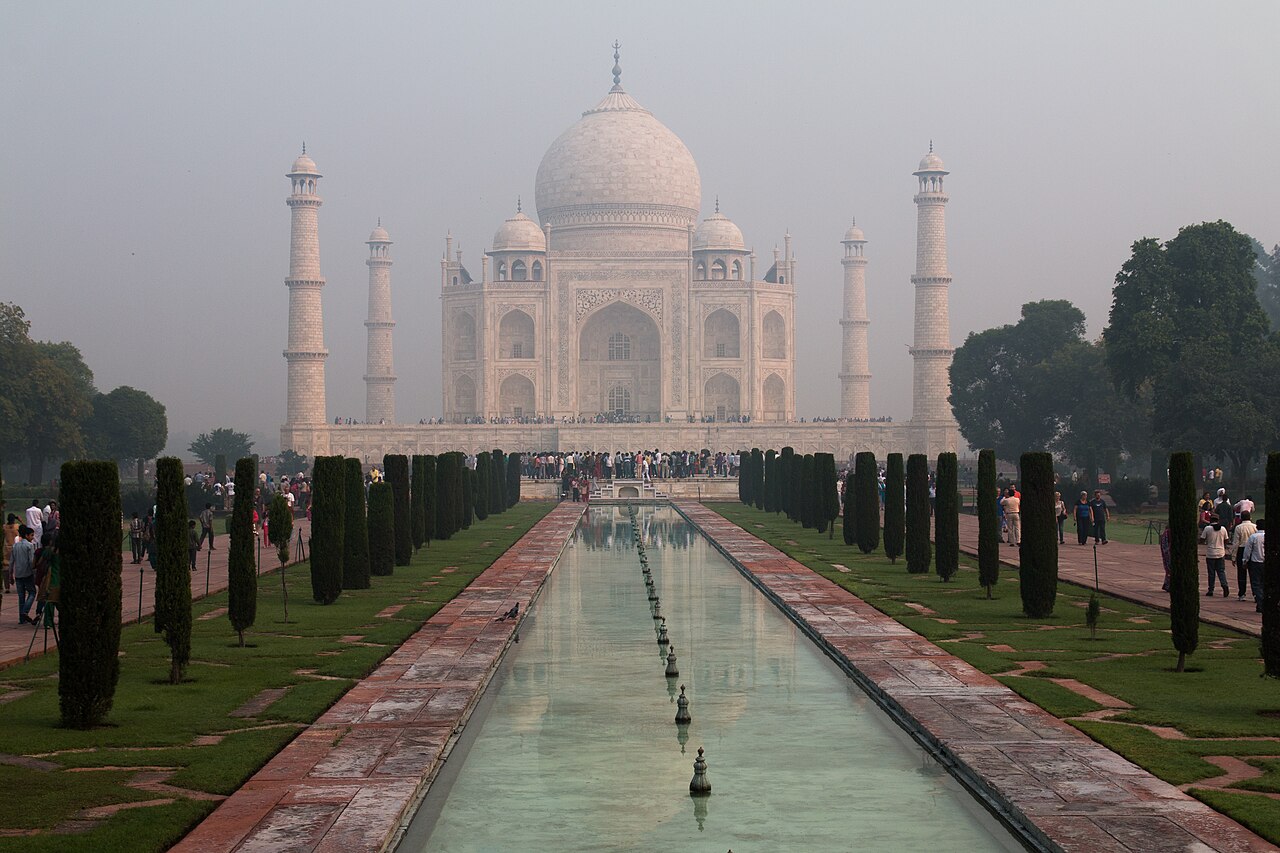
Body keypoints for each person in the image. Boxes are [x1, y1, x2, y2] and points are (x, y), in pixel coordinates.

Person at [1230, 510, 1257, 602]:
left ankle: (1242, 594)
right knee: (1253, 574)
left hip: (1241, 550)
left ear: (1241, 517)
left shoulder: (1239, 527)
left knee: (1241, 573)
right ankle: (1256, 594)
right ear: (1250, 517)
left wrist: (1233, 556)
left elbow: (1236, 543)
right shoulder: (1254, 526)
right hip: (1253, 550)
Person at [1200, 514, 1230, 597]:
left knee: (1211, 573)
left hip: (1210, 553)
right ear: (1218, 520)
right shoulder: (1223, 529)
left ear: (1210, 520)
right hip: (1220, 553)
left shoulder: (1208, 528)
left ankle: (1211, 590)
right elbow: (1226, 540)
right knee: (1221, 571)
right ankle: (1224, 585)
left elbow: (1202, 540)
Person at [11, 525, 36, 623]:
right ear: (26, 535)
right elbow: (31, 561)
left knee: (21, 596)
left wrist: (10, 574)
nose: (33, 537)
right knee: (32, 592)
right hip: (27, 573)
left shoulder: (15, 545)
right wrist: (33, 573)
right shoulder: (29, 546)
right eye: (32, 535)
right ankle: (25, 611)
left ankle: (22, 619)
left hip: (18, 574)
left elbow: (12, 561)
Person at [1243, 520, 1265, 614]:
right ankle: (1261, 603)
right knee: (1264, 584)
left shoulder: (1253, 537)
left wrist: (1245, 561)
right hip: (1265, 563)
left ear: (1257, 527)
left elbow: (1247, 550)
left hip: (1255, 562)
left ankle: (1260, 602)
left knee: (1256, 584)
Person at [2, 513, 18, 593]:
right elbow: (25, 529)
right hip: (15, 548)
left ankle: (7, 587)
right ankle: (14, 580)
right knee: (17, 566)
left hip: (6, 548)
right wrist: (20, 520)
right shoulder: (16, 526)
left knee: (6, 568)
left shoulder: (4, 527)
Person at [1159, 525, 1172, 592]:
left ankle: (1168, 584)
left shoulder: (1167, 533)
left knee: (1169, 570)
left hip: (1169, 552)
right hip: (1168, 553)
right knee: (1169, 569)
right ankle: (1168, 585)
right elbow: (1165, 546)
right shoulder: (1167, 533)